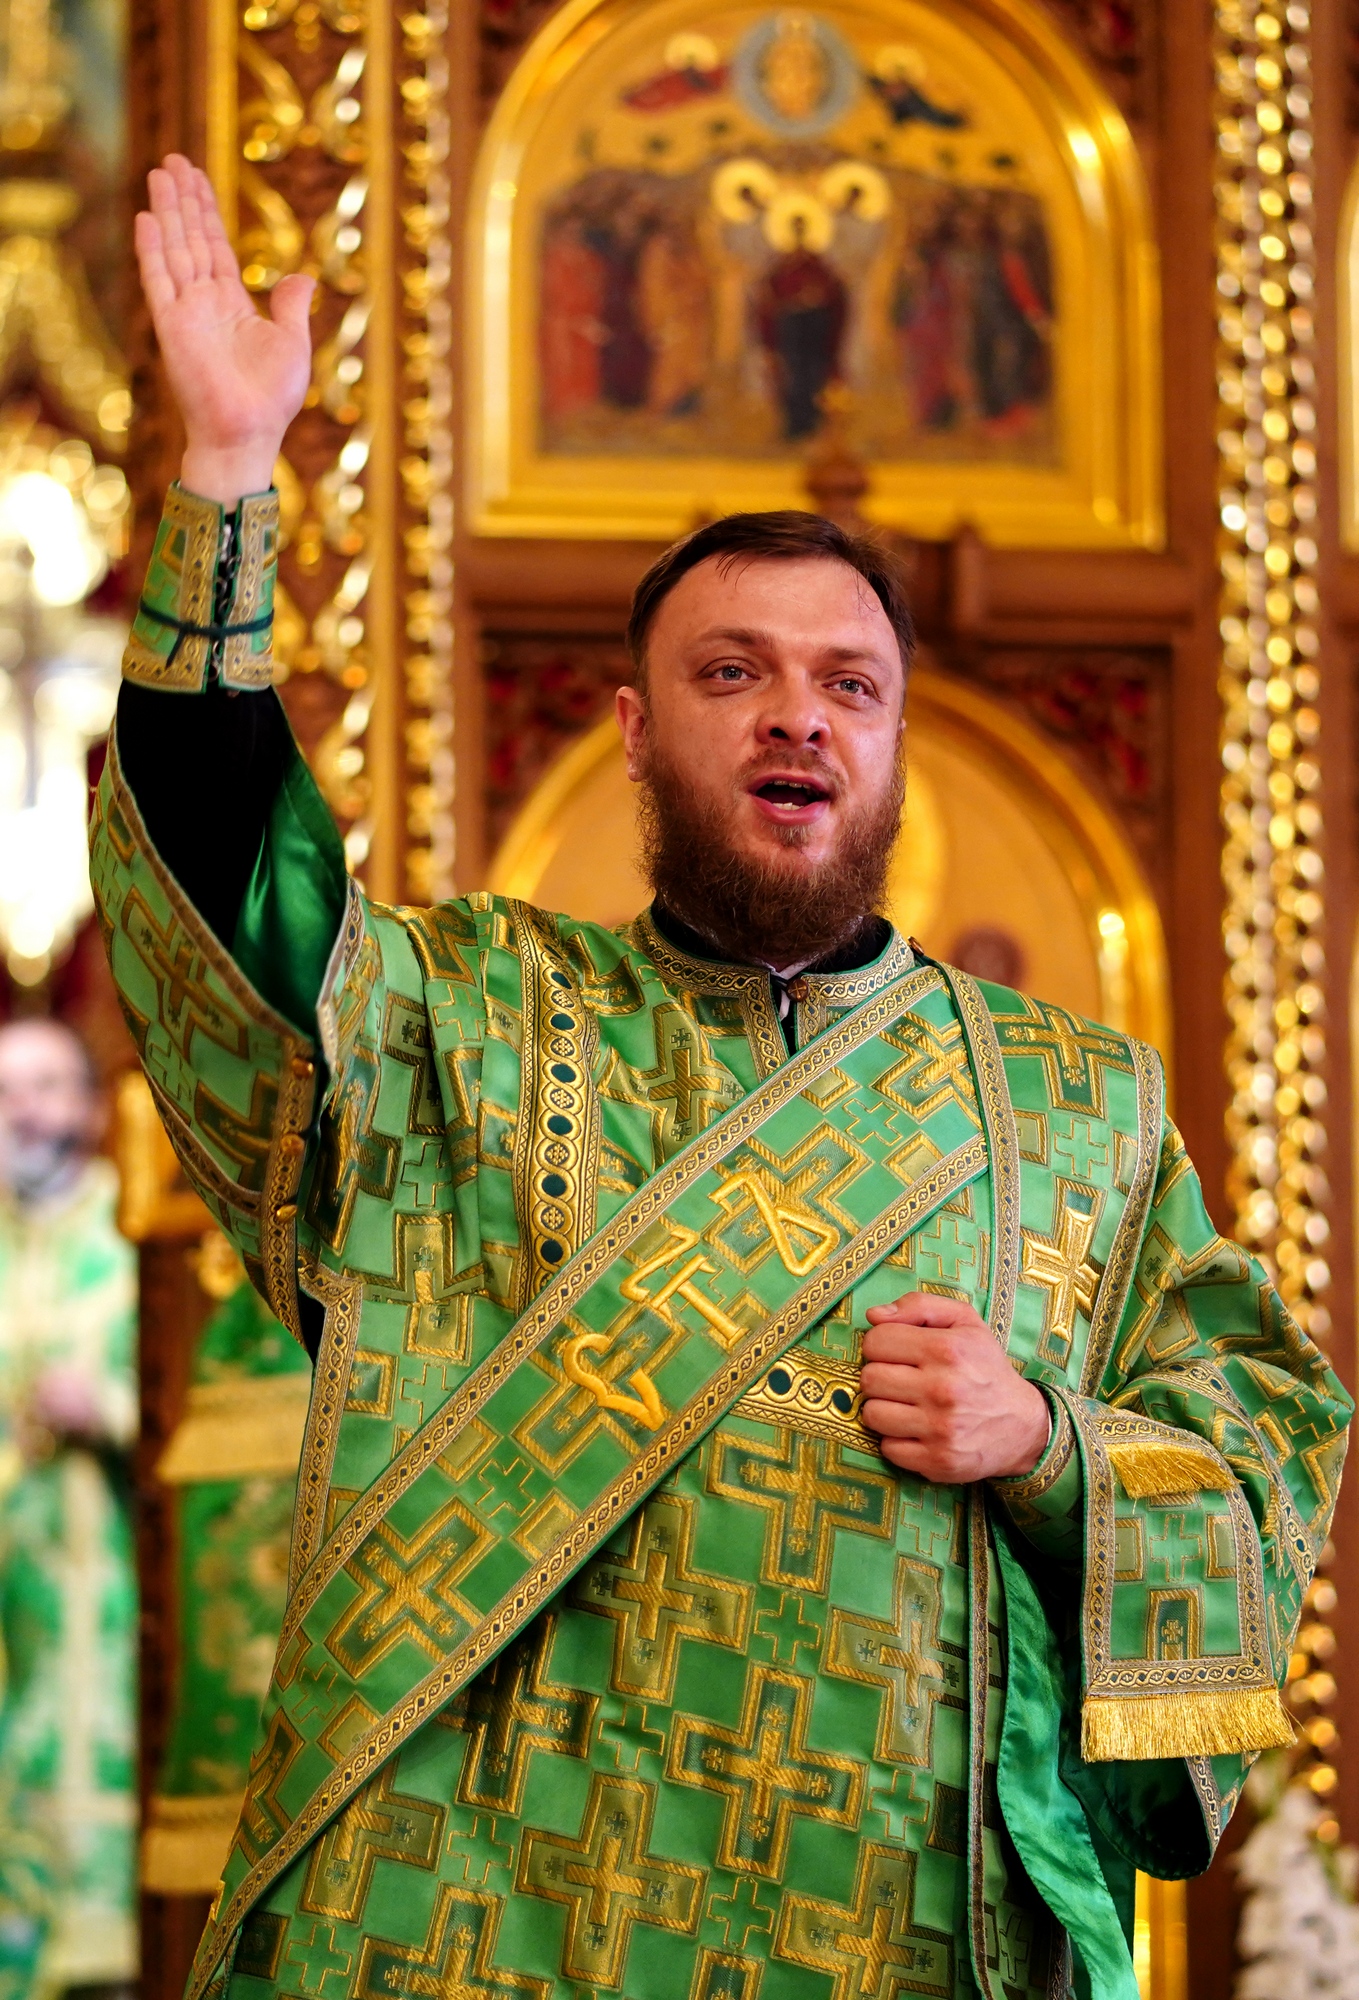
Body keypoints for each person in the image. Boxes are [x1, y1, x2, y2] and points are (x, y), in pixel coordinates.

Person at [94, 153, 1349, 2000]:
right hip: (496, 1929)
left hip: (903, 1934)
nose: (795, 717)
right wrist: (221, 483)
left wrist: (1050, 1445)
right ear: (632, 727)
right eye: (732, 672)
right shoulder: (465, 1025)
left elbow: (1267, 1452)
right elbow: (226, 919)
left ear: (896, 742)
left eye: (847, 686)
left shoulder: (1072, 1105)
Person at [0, 1020, 137, 1998]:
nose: (24, 1110)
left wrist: (108, 1410)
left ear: (90, 1107)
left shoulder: (132, 1236)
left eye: (47, 1086)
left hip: (109, 1575)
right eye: (5, 1092)